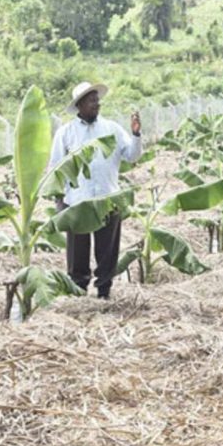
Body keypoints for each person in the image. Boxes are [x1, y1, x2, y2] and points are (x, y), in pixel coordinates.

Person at [49, 82, 143, 300]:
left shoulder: (112, 129)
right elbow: (56, 169)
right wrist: (60, 202)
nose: (96, 103)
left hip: (108, 199)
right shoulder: (66, 133)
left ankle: (104, 292)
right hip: (77, 202)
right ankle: (79, 292)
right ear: (79, 105)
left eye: (97, 100)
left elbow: (131, 156)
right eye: (91, 100)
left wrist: (136, 135)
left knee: (107, 250)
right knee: (77, 253)